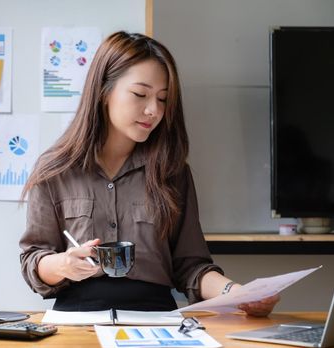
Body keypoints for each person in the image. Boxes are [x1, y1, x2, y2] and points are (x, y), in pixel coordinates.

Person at [19, 31, 279, 315]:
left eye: (163, 99)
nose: (153, 110)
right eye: (140, 94)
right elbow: (33, 259)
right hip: (77, 319)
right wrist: (63, 265)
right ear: (104, 91)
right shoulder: (55, 170)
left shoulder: (172, 172)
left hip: (156, 318)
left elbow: (191, 267)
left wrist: (237, 293)